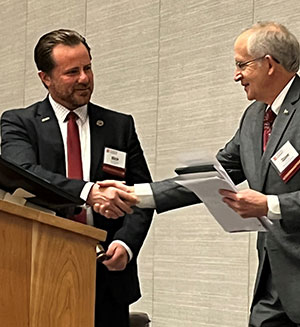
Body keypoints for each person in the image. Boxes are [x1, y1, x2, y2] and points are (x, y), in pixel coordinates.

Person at [96, 22, 300, 326]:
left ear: (269, 64)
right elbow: (210, 177)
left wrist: (270, 206)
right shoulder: (255, 117)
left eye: (241, 65)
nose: (236, 75)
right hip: (272, 287)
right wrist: (135, 194)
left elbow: (273, 201)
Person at [0, 29, 154, 327]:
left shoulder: (118, 126)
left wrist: (126, 244)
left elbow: (141, 194)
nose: (84, 78)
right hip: (38, 269)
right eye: (72, 72)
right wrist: (89, 192)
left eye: (88, 67)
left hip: (107, 276)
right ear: (45, 77)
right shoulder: (19, 122)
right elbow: (25, 174)